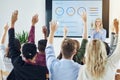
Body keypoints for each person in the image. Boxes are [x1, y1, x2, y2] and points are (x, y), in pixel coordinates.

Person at [7, 10, 48, 80]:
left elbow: (11, 45)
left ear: (22, 54)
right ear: (36, 55)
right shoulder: (42, 70)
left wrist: (12, 23)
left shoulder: (17, 63)